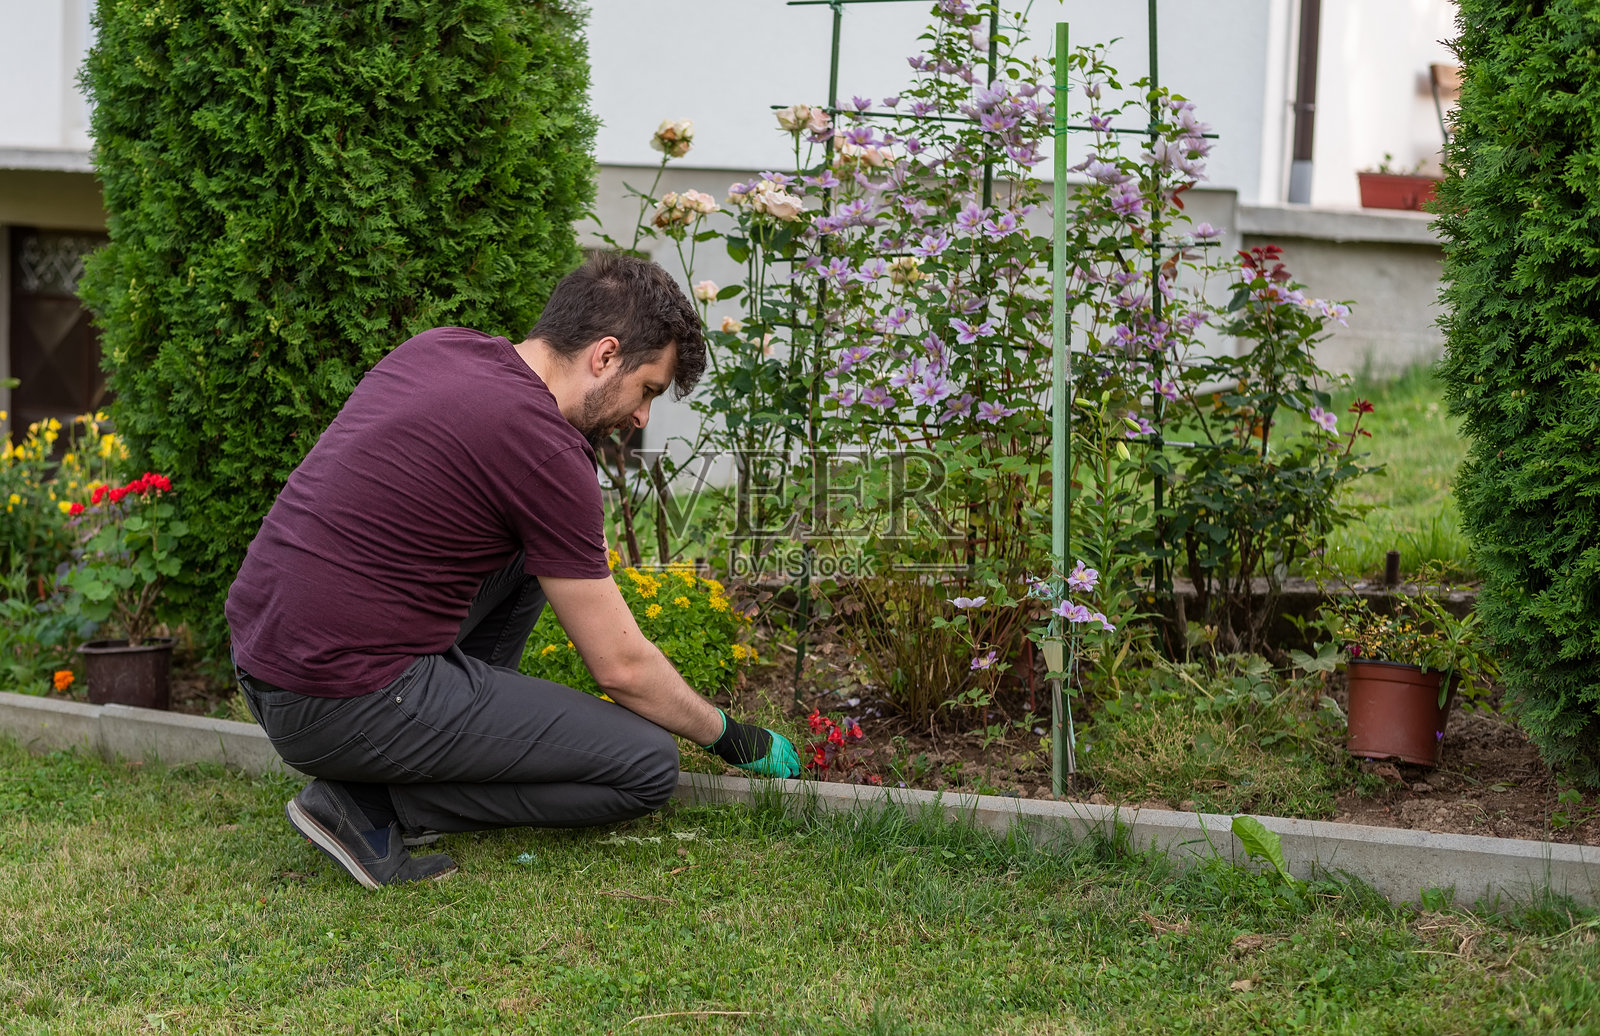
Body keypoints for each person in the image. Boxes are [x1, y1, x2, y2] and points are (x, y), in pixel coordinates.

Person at [225, 252, 799, 889]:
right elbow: (621, 667)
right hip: (339, 697)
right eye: (648, 391)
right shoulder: (545, 448)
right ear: (605, 355)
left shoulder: (443, 348)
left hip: (267, 666)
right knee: (647, 766)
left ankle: (424, 752)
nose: (641, 417)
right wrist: (732, 737)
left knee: (534, 554)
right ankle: (369, 804)